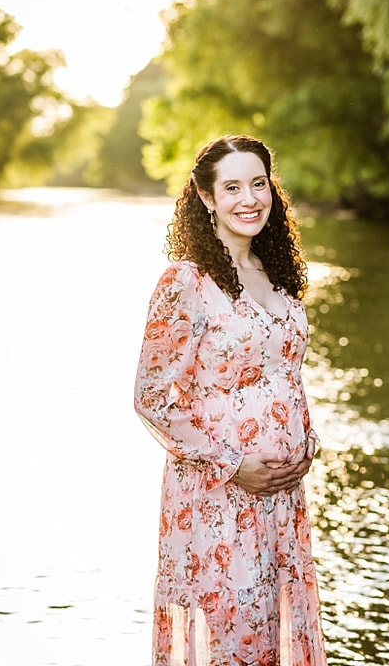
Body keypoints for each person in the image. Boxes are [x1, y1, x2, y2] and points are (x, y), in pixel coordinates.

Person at [134, 135, 327, 665]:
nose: (250, 199)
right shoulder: (186, 282)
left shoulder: (278, 276)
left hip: (282, 494)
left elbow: (285, 375)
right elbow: (150, 399)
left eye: (259, 184)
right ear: (206, 196)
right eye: (233, 187)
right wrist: (234, 463)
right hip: (217, 492)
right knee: (227, 631)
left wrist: (307, 443)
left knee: (273, 623)